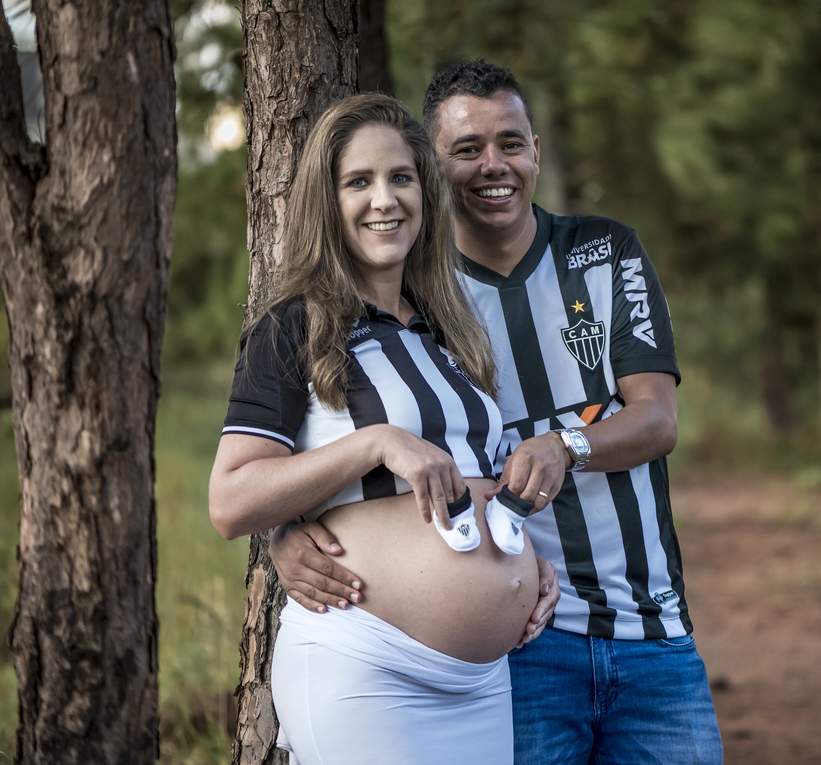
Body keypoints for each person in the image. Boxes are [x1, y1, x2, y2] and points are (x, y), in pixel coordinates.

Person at [272, 61, 724, 764]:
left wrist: (566, 444)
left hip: (650, 631)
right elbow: (330, 430)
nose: (494, 165)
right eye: (467, 148)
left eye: (511, 143)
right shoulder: (421, 302)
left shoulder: (604, 252)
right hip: (520, 647)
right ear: (432, 167)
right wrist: (286, 532)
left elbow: (657, 419)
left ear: (535, 151)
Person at [208, 93, 560, 765]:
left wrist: (525, 567)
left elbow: (472, 480)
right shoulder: (295, 326)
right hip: (367, 666)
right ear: (327, 201)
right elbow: (230, 501)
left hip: (482, 681)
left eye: (401, 177)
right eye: (359, 181)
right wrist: (375, 443)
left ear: (424, 193)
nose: (384, 199)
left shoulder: (449, 332)